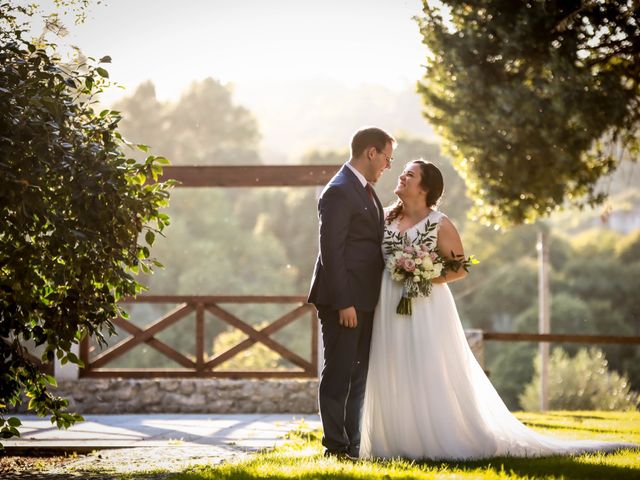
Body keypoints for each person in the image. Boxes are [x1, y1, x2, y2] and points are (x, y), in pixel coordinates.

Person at [360, 159, 636, 460]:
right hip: (387, 303)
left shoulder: (440, 223)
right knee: (389, 365)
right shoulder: (384, 217)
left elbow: (460, 268)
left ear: (425, 188)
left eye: (409, 175)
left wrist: (423, 274)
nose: (401, 176)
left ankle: (433, 439)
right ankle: (392, 442)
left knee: (425, 366)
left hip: (425, 306)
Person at [308, 126, 396, 459]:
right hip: (342, 300)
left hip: (366, 300)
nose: (388, 166)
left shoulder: (367, 191)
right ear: (371, 152)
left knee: (358, 375)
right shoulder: (339, 191)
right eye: (387, 158)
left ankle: (353, 445)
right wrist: (345, 302)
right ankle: (335, 447)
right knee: (340, 372)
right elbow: (331, 250)